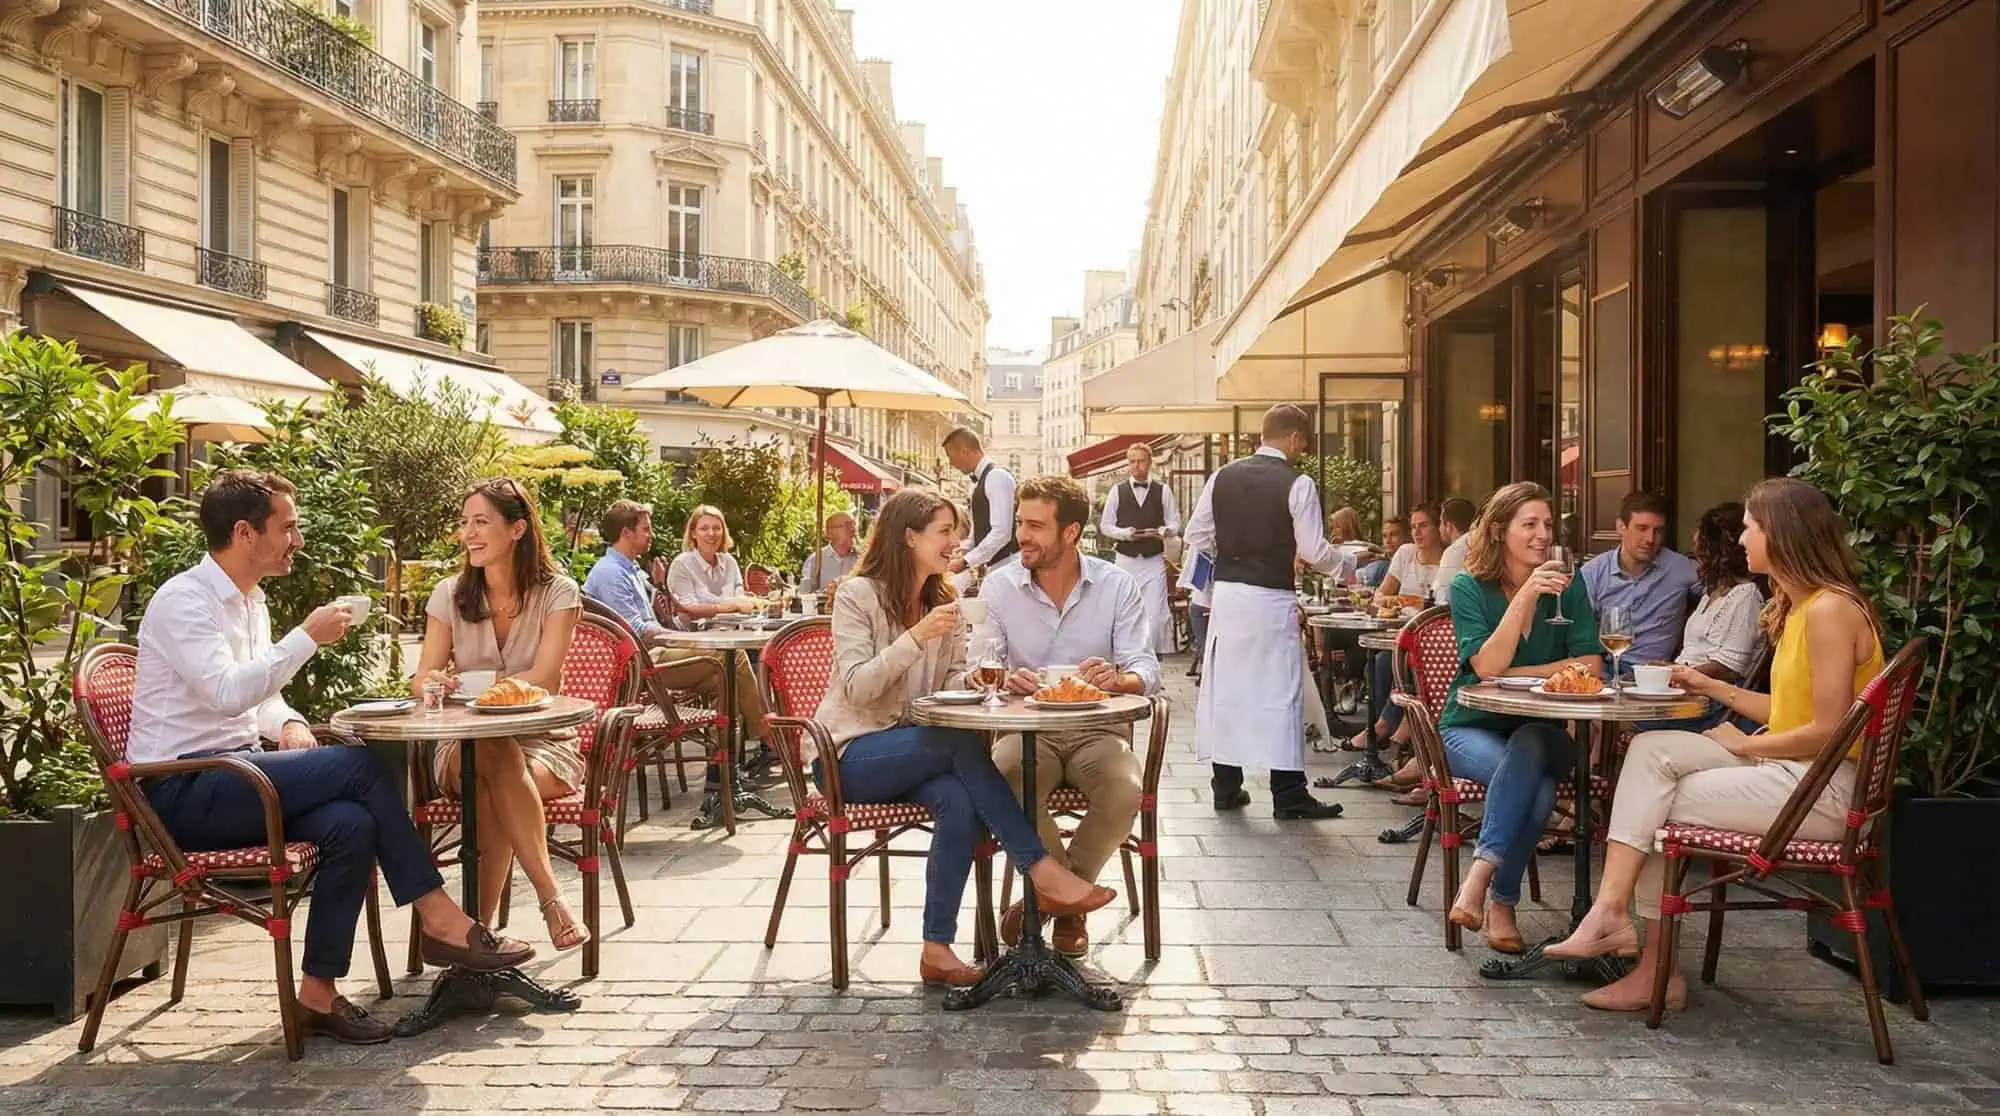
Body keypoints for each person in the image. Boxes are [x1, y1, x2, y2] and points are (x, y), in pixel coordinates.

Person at [132, 470, 533, 1046]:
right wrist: (307, 637)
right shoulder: (184, 602)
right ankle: (438, 916)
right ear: (246, 533)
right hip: (185, 791)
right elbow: (225, 691)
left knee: (353, 823)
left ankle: (317, 993)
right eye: (287, 527)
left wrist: (290, 722)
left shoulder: (250, 602)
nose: (296, 539)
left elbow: (259, 696)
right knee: (362, 765)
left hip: (239, 775)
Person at [1548, 478, 1886, 1013]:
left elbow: (1830, 729)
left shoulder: (1829, 611)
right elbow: (1793, 711)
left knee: (1650, 805)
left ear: (1781, 534)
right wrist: (1712, 687)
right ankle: (1613, 917)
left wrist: (1750, 748)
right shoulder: (1803, 607)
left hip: (1821, 793)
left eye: (1750, 528)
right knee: (1652, 750)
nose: (1742, 540)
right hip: (1798, 773)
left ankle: (1646, 961)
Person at [813, 489, 1116, 987]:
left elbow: (950, 682)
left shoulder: (945, 598)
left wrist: (973, 682)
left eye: (956, 531)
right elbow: (857, 688)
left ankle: (936, 950)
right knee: (957, 745)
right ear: (909, 537)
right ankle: (1040, 869)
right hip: (852, 755)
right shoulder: (857, 595)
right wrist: (916, 638)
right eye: (945, 532)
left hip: (918, 753)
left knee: (958, 799)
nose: (957, 542)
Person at [983, 475, 1160, 957]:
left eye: (1036, 526)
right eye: (1020, 522)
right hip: (1024, 727)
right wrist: (1001, 679)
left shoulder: (1115, 584)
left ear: (1071, 532)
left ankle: (1053, 901)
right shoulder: (998, 587)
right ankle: (1071, 904)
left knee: (1125, 788)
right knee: (1004, 780)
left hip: (1096, 729)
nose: (1022, 535)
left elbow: (1145, 666)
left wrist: (1119, 679)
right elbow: (978, 663)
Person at [413, 478, 588, 951]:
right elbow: (422, 677)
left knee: (494, 783)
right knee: (489, 751)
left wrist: (479, 689)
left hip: (545, 745)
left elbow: (546, 679)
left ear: (517, 529)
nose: (468, 533)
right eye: (465, 523)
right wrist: (436, 683)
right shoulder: (449, 595)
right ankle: (551, 898)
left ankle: (476, 938)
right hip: (460, 747)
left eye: (481, 522)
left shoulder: (557, 592)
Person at [1439, 481, 1602, 953]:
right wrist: (1527, 595)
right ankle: (1502, 901)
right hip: (1472, 728)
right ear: (1498, 531)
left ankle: (1478, 880)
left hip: (1545, 732)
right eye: (1529, 524)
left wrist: (1518, 671)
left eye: (1547, 525)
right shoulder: (1470, 586)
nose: (1541, 534)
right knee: (1538, 791)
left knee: (1531, 742)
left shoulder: (1569, 586)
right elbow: (1487, 669)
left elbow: (1590, 666)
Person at [1185, 404, 1353, 820]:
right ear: (1294, 437)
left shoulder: (1222, 476)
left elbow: (1196, 534)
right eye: (1305, 442)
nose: (1303, 450)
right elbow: (1313, 550)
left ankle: (1226, 786)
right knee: (1281, 691)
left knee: (1228, 690)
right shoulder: (1298, 483)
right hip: (1269, 598)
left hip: (1227, 595)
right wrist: (1345, 564)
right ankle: (1289, 793)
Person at [663, 505, 772, 831]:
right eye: (705, 528)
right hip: (692, 644)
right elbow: (688, 609)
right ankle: (767, 733)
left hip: (728, 640)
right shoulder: (683, 565)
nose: (712, 534)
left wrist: (737, 606)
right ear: (693, 533)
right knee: (735, 662)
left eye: (717, 528)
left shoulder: (730, 563)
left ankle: (721, 778)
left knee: (730, 681)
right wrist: (730, 606)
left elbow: (744, 600)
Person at [1637, 503, 1767, 733]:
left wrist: (1674, 674)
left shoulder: (1745, 597)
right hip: (1686, 690)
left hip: (1714, 703)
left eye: (1702, 547)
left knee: (1636, 719)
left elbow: (1730, 667)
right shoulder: (1711, 595)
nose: (1696, 551)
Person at [1342, 504, 1446, 756]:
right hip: (1400, 631)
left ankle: (1384, 728)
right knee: (1379, 662)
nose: (1417, 533)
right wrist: (1396, 601)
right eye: (1413, 527)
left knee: (1398, 663)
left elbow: (1441, 608)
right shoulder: (1406, 553)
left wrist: (1405, 601)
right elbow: (1381, 595)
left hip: (1432, 637)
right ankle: (1383, 725)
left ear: (1439, 528)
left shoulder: (1449, 560)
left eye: (1423, 526)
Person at [1581, 491, 1700, 669]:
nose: (1650, 539)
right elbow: (1578, 632)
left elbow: (1726, 593)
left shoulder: (1682, 568)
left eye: (1658, 531)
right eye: (1642, 528)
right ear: (1621, 527)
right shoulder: (1593, 573)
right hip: (1604, 670)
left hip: (1655, 675)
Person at [1096, 442, 1180, 656]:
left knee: (1156, 613)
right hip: (1126, 559)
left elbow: (1175, 524)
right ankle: (1125, 655)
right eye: (1132, 461)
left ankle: (1150, 656)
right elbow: (1106, 526)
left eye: (1140, 461)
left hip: (1153, 560)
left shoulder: (1163, 491)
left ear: (1149, 463)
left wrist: (1163, 531)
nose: (1136, 466)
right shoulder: (1117, 491)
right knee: (1124, 608)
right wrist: (1125, 534)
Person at [942, 427, 1016, 589]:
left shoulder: (997, 477)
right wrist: (962, 550)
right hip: (995, 568)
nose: (951, 464)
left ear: (964, 451)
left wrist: (967, 561)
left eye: (950, 456)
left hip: (1008, 567)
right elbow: (978, 532)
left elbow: (1002, 533)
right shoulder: (980, 481)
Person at [584, 498, 669, 639]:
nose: (652, 535)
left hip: (653, 650)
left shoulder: (631, 569)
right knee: (712, 655)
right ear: (626, 533)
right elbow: (635, 631)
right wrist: (679, 637)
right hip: (641, 657)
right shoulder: (611, 573)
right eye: (646, 529)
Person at [801, 510, 861, 592]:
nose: (853, 529)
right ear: (830, 533)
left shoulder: (862, 560)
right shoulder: (815, 560)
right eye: (847, 525)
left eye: (854, 524)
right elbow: (805, 594)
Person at [1431, 496, 1477, 597]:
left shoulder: (1454, 551)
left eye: (1441, 523)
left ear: (1449, 526)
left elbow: (1439, 596)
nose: (1439, 528)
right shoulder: (1481, 542)